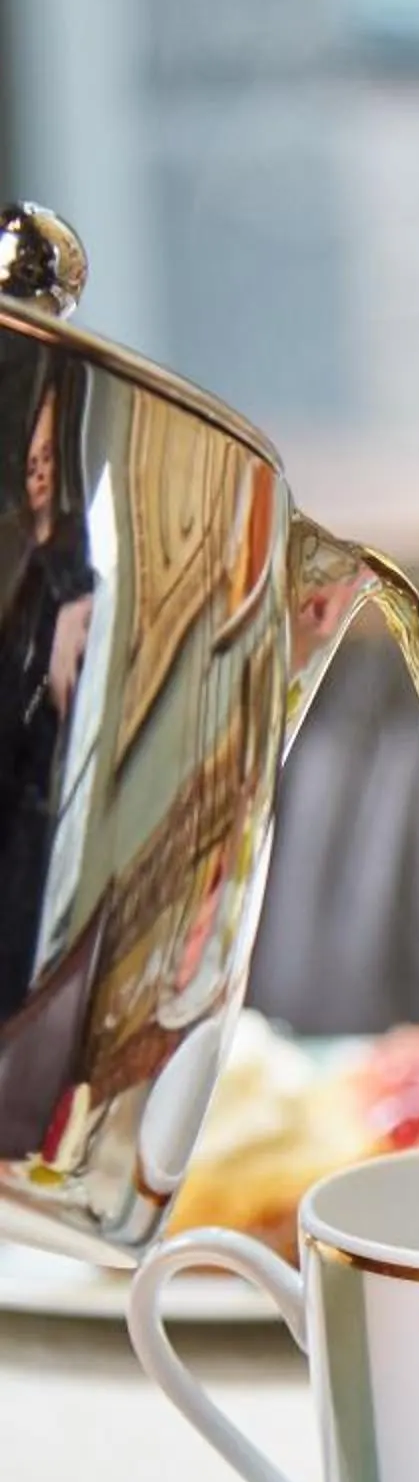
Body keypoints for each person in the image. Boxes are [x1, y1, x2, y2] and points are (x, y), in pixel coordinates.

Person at [0, 385, 96, 1017]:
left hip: (44, 838)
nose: (39, 463)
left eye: (49, 449)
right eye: (27, 451)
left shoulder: (79, 577)